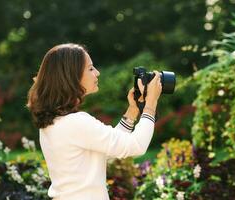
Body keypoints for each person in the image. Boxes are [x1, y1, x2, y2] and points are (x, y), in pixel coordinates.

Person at [27, 43, 162, 200]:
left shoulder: (55, 121)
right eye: (90, 68)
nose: (97, 73)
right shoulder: (76, 122)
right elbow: (136, 145)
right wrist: (150, 104)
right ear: (71, 76)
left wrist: (132, 112)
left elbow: (107, 149)